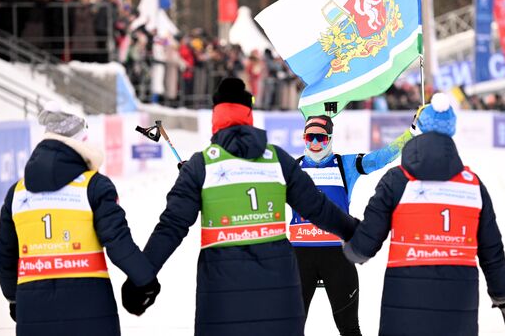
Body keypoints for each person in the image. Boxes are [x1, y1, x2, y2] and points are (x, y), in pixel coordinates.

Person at [121, 77, 359, 336]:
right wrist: (357, 232)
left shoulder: (201, 167)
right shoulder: (277, 159)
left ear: (215, 117)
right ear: (249, 116)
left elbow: (171, 228)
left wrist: (141, 276)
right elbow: (319, 209)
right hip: (281, 298)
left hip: (221, 299)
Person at [343, 93, 505, 335]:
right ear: (451, 131)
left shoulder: (396, 181)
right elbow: (492, 249)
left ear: (419, 128)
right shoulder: (473, 185)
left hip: (403, 309)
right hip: (458, 309)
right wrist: (502, 294)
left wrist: (350, 247)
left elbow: (362, 248)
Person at [0, 102, 160, 336]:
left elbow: (3, 254)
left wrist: (14, 298)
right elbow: (117, 241)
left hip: (34, 309)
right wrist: (144, 281)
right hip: (91, 308)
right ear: (81, 141)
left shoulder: (17, 193)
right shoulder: (95, 186)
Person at [290, 111, 415, 336]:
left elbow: (380, 158)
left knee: (349, 328)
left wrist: (411, 134)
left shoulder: (344, 164)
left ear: (330, 138)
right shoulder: (292, 168)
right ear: (303, 138)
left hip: (338, 258)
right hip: (300, 257)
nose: (316, 143)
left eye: (322, 138)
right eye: (310, 138)